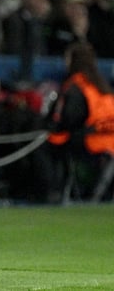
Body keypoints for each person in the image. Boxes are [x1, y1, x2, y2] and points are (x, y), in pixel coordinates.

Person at [47, 42, 114, 201]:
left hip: (91, 142)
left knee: (49, 149)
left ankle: (53, 192)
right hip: (109, 141)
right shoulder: (103, 86)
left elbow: (67, 120)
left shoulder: (76, 85)